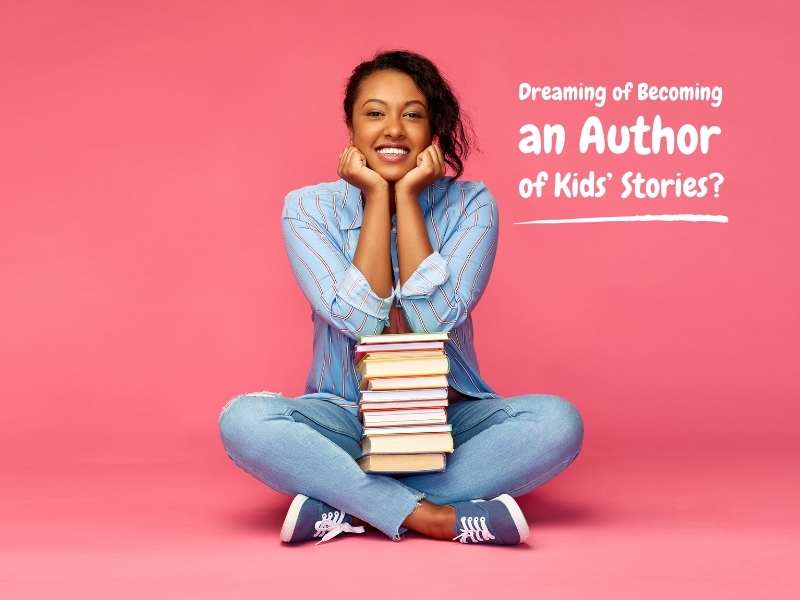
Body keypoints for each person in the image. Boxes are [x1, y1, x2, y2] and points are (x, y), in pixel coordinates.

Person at [218, 49, 584, 546]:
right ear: (350, 127)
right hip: (345, 415)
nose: (393, 128)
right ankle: (434, 516)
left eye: (411, 114)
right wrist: (374, 197)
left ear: (432, 130)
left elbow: (432, 318)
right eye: (375, 113)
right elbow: (361, 323)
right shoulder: (306, 209)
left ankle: (347, 503)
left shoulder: (472, 204)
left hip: (447, 417)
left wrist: (407, 199)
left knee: (556, 424)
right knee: (244, 421)